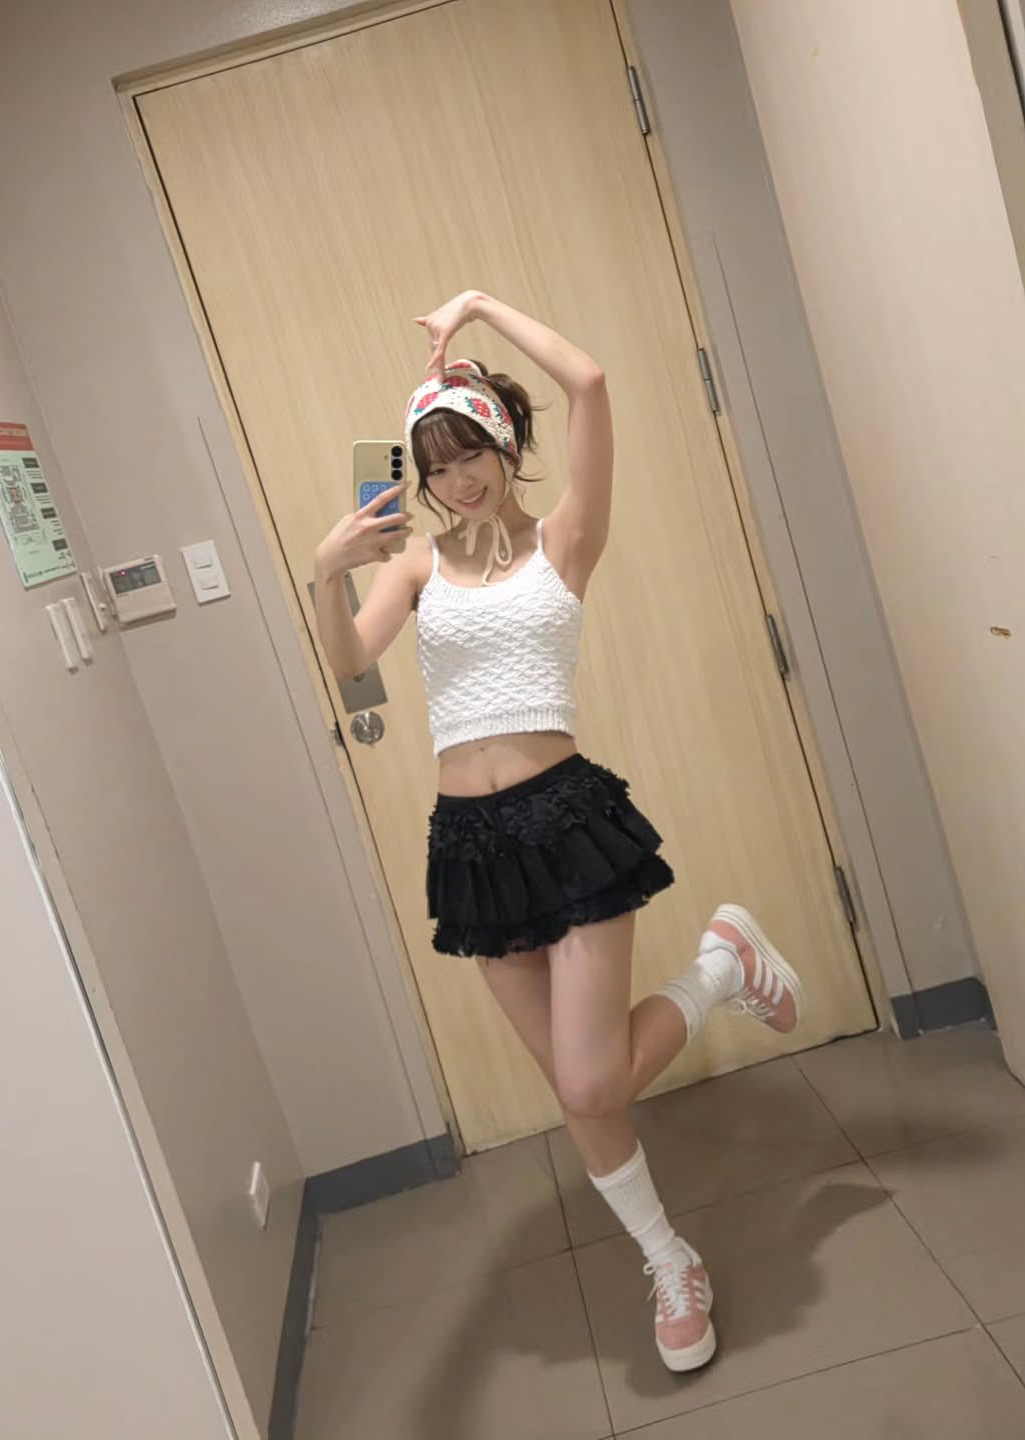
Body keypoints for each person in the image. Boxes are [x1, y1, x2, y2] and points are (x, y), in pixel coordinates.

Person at [314, 290, 803, 1372]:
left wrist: (478, 307)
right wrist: (324, 573)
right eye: (435, 465)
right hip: (471, 844)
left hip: (566, 819)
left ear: (505, 443)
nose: (457, 479)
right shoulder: (414, 565)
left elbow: (589, 381)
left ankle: (721, 970)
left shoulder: (566, 540)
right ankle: (670, 1259)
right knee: (578, 1090)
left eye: (471, 453)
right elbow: (349, 662)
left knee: (591, 1083)